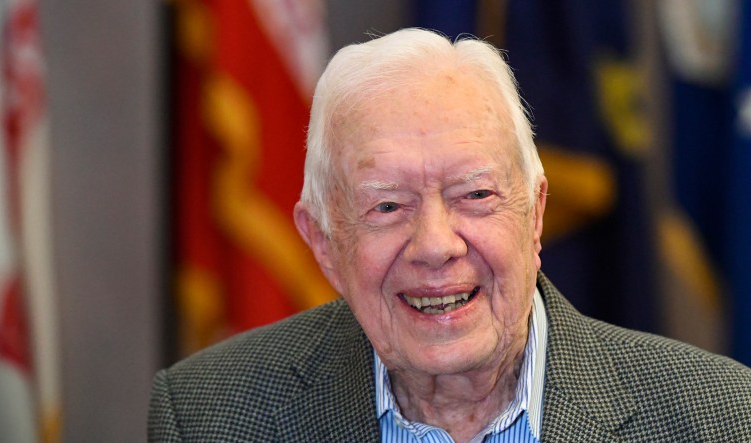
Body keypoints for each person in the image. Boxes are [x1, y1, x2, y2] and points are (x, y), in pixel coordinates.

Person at [148, 28, 751, 442]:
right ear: (324, 241)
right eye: (387, 205)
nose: (436, 245)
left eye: (475, 195)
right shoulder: (208, 415)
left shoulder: (718, 417)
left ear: (535, 212)